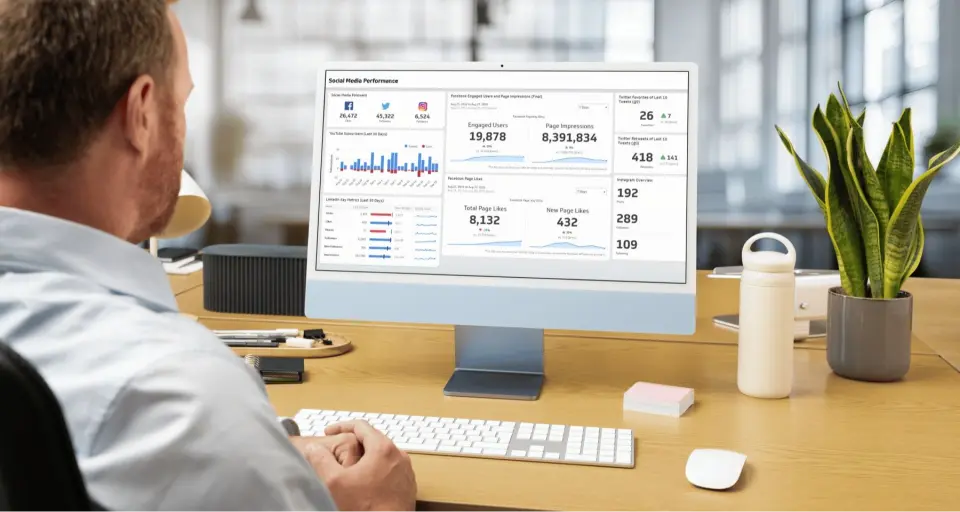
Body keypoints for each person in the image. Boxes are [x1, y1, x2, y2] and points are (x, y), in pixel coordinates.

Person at [0, 1, 416, 510]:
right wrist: (375, 506)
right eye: (183, 101)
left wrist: (260, 453)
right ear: (142, 114)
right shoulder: (182, 398)